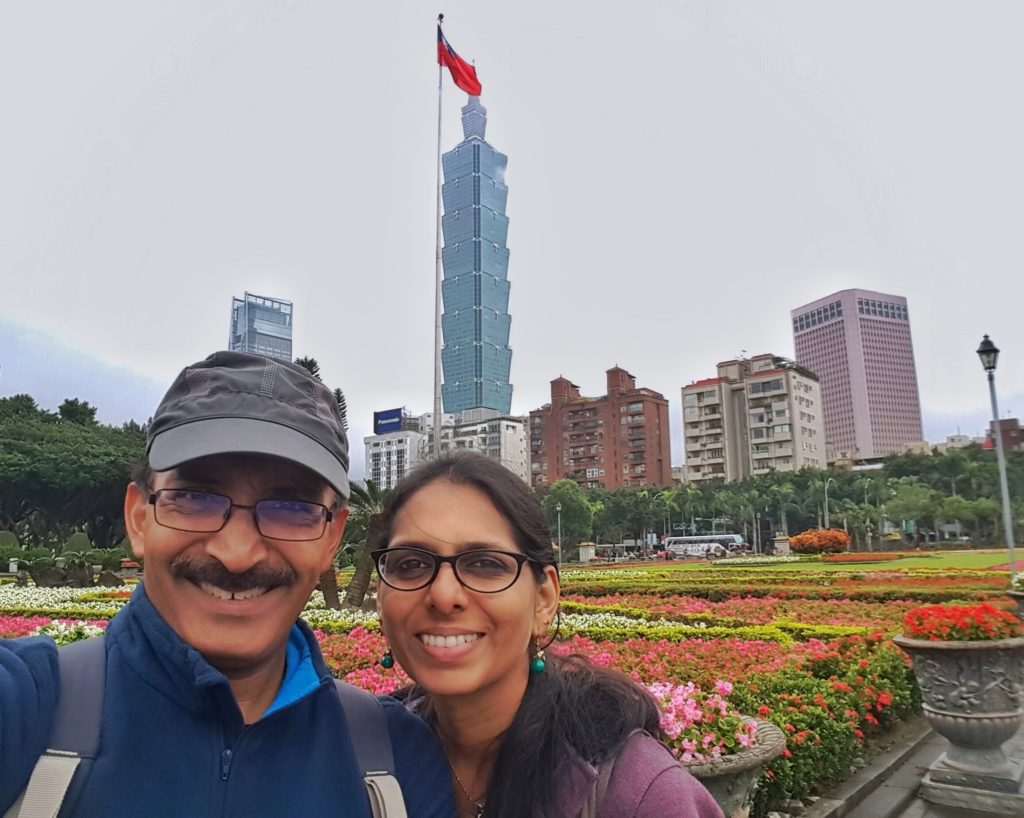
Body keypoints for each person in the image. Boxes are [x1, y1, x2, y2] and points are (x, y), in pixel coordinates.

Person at [0, 351, 455, 818]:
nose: (237, 554)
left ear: (331, 539)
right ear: (139, 518)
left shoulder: (396, 763)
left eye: (292, 507)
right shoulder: (27, 709)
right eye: (194, 497)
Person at [373, 453, 724, 818]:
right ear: (381, 599)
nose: (444, 597)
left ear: (544, 599)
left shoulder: (641, 794)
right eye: (410, 564)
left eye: (485, 564)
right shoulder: (363, 757)